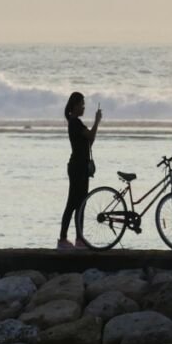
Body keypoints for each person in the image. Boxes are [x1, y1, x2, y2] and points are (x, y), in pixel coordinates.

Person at [58, 92, 101, 249]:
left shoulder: (75, 122)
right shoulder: (75, 123)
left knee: (80, 203)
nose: (83, 107)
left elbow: (90, 140)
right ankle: (64, 239)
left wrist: (95, 126)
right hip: (77, 167)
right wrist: (97, 121)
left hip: (80, 166)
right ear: (74, 105)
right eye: (82, 104)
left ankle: (78, 238)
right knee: (74, 203)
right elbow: (90, 135)